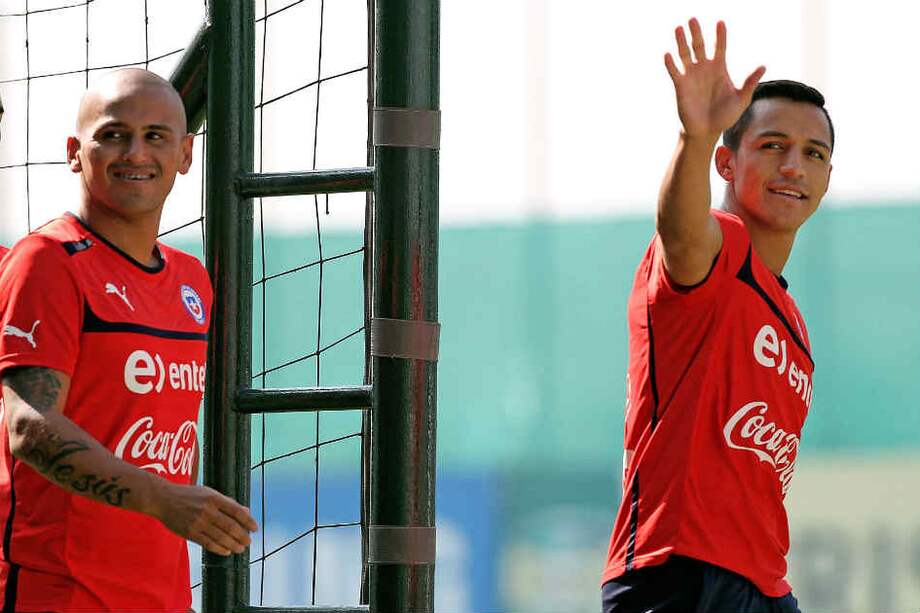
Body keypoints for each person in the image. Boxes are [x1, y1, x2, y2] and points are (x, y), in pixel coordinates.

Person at [0, 68, 258, 612]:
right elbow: (28, 426)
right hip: (59, 594)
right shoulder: (46, 261)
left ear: (185, 155)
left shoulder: (191, 279)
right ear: (75, 151)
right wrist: (163, 501)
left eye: (155, 136)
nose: (135, 152)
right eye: (114, 134)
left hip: (161, 598)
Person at [601, 18, 833, 613]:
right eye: (773, 146)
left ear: (827, 178)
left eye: (813, 154)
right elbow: (680, 234)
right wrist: (695, 137)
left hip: (765, 585)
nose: (794, 167)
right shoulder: (719, 246)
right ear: (726, 164)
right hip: (679, 575)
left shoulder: (794, 324)